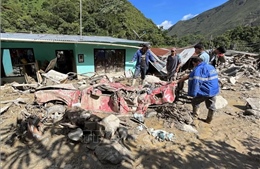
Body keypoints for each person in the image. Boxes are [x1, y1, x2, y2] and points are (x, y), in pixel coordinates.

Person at [174, 57, 219, 124]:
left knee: (195, 102)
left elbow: (196, 82)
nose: (194, 65)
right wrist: (179, 80)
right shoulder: (210, 67)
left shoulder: (199, 69)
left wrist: (193, 93)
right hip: (214, 90)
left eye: (194, 64)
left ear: (196, 62)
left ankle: (195, 116)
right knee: (211, 105)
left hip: (206, 90)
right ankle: (209, 120)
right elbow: (191, 75)